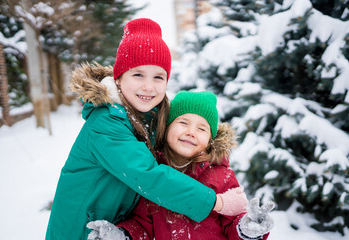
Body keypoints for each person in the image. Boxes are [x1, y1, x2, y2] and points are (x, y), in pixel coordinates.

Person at [45, 18, 248, 239]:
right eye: (138, 74)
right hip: (79, 231)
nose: (148, 86)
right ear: (119, 78)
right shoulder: (106, 123)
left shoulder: (147, 120)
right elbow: (148, 176)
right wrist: (216, 202)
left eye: (158, 77)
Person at [86, 91, 275, 240]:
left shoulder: (221, 176)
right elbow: (142, 224)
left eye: (202, 128)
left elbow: (233, 223)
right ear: (167, 128)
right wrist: (122, 234)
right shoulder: (155, 174)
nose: (191, 132)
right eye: (183, 122)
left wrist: (247, 228)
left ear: (211, 140)